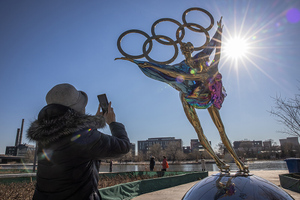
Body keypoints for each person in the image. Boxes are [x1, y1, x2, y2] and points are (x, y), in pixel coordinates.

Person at [27, 83, 131, 200]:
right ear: (77, 109)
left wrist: (92, 125)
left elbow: (75, 147)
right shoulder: (84, 137)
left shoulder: (45, 136)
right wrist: (113, 123)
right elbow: (123, 147)